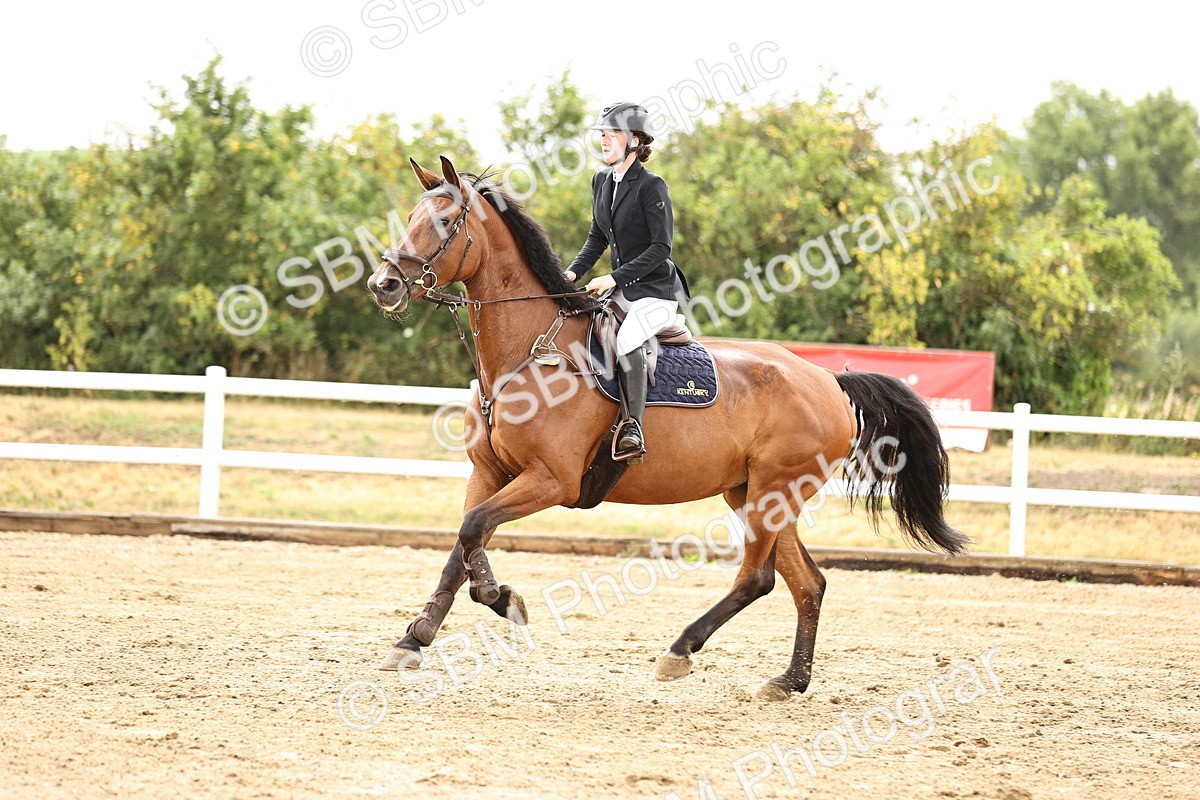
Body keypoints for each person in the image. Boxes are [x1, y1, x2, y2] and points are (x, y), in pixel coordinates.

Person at [566, 102, 690, 462]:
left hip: (656, 292)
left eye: (612, 134)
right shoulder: (602, 181)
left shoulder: (652, 186)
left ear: (635, 140)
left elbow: (661, 248)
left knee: (627, 339)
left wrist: (613, 277)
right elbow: (597, 238)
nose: (604, 140)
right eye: (602, 134)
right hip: (622, 290)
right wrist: (572, 273)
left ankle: (632, 427)